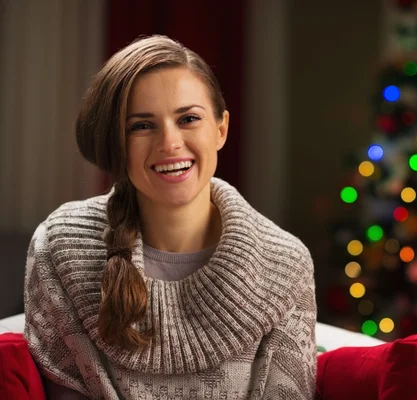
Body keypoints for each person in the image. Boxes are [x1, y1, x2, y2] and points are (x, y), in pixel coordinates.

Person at [23, 35, 317, 400]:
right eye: (141, 126)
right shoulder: (58, 247)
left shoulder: (285, 265)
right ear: (116, 141)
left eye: (188, 119)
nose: (169, 143)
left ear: (221, 129)